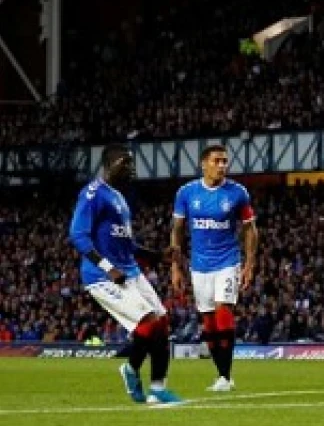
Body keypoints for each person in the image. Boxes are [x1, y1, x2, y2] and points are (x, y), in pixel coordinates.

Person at [70, 146, 183, 406]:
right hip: (102, 275)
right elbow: (78, 236)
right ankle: (131, 370)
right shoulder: (92, 194)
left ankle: (158, 389)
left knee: (162, 324)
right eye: (126, 163)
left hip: (129, 270)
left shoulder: (120, 198)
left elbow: (128, 244)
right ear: (110, 164)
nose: (131, 169)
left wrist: (158, 256)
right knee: (149, 323)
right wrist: (108, 267)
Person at [168, 144, 259, 393]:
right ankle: (221, 375)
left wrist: (249, 264)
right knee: (208, 321)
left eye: (225, 161)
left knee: (223, 313)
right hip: (199, 266)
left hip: (228, 262)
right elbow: (176, 230)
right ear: (203, 164)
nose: (222, 166)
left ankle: (226, 376)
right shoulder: (186, 193)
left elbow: (250, 230)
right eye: (217, 161)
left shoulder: (237, 192)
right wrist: (176, 267)